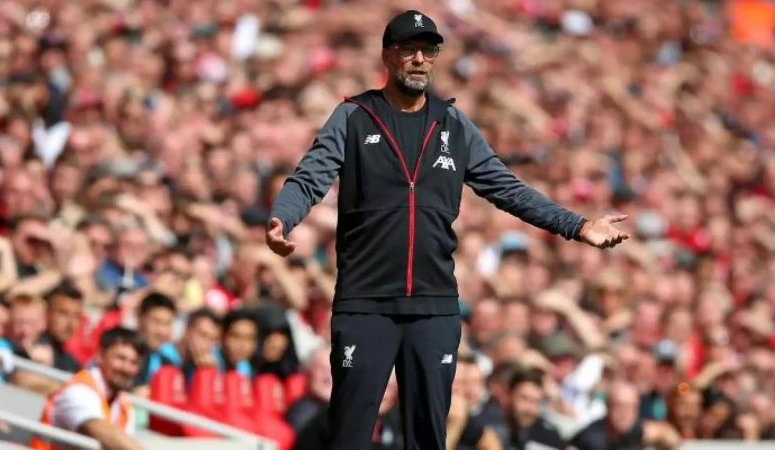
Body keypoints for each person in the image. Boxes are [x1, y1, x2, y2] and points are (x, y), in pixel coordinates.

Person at [266, 10, 630, 450]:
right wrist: (284, 217)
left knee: (428, 438)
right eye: (409, 49)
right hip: (366, 303)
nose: (420, 59)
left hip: (434, 307)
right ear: (388, 56)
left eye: (429, 50)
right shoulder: (354, 116)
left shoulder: (453, 124)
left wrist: (579, 225)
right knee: (349, 436)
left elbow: (508, 189)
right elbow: (310, 177)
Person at [31, 327, 146, 450]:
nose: (126, 368)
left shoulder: (124, 406)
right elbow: (96, 428)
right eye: (120, 358)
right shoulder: (78, 390)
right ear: (100, 356)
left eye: (134, 363)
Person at [570, 380, 681, 450]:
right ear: (608, 407)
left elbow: (670, 437)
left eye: (631, 407)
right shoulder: (590, 438)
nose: (624, 413)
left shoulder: (639, 430)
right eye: (619, 406)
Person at [504, 367, 568, 450]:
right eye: (524, 398)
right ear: (509, 395)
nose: (529, 408)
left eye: (536, 401)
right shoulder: (491, 428)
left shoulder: (548, 437)